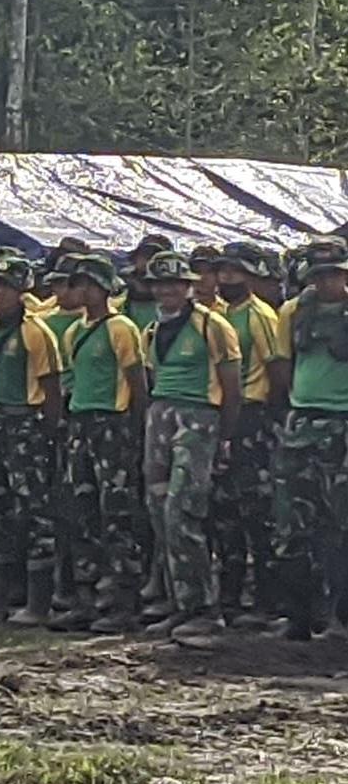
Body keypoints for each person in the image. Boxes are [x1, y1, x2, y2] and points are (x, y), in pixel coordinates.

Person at [140, 250, 242, 639]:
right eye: (160, 284)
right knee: (158, 509)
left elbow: (232, 387)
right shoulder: (151, 329)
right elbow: (152, 378)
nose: (167, 291)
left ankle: (205, 608)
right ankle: (178, 601)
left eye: (175, 284)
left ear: (188, 287)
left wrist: (225, 439)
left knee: (185, 511)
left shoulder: (212, 326)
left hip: (199, 416)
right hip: (161, 415)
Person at [0, 255, 64, 626]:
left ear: (23, 290)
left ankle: (37, 601)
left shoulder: (37, 332)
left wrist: (48, 434)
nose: (0, 292)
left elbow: (51, 389)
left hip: (26, 424)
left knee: (35, 510)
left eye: (7, 285)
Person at [55, 255, 148, 632]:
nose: (82, 292)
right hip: (82, 422)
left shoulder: (121, 328)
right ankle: (87, 596)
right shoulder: (73, 332)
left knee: (117, 514)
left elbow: (137, 383)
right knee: (83, 511)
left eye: (89, 285)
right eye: (79, 285)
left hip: (113, 422)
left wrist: (135, 431)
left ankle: (123, 600)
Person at [274, 236, 348, 639]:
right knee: (292, 525)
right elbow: (284, 363)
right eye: (319, 274)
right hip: (302, 422)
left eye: (334, 274)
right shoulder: (293, 311)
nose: (326, 282)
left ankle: (341, 618)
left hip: (343, 425)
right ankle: (297, 617)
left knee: (341, 525)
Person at [212, 240, 289, 626]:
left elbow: (277, 370)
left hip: (254, 415)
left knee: (258, 511)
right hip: (227, 416)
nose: (227, 277)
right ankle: (230, 594)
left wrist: (269, 415)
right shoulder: (221, 314)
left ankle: (266, 598)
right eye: (223, 270)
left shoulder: (260, 315)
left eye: (236, 271)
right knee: (226, 511)